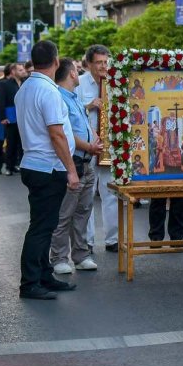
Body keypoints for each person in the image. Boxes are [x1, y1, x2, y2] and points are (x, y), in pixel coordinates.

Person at [15, 40, 81, 300]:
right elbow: (57, 134)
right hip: (47, 167)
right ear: (56, 61)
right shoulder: (48, 91)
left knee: (45, 223)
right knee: (42, 228)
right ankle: (30, 283)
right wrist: (71, 170)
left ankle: (44, 274)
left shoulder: (26, 88)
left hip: (34, 163)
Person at [49, 58, 102, 275]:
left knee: (83, 211)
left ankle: (81, 255)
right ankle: (59, 258)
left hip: (87, 162)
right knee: (65, 214)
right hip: (74, 161)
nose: (78, 72)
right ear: (71, 73)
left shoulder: (74, 98)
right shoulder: (59, 98)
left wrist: (96, 139)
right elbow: (66, 133)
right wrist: (90, 146)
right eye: (76, 69)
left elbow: (85, 125)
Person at [77, 45, 119, 253]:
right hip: (86, 145)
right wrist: (90, 105)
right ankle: (88, 241)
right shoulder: (80, 82)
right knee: (87, 194)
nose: (103, 66)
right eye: (99, 63)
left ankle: (113, 239)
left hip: (109, 144)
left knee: (110, 191)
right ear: (89, 64)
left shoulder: (116, 81)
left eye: (106, 62)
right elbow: (72, 110)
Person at [0, 63, 23, 175]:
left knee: (21, 144)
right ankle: (8, 167)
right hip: (10, 118)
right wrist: (2, 117)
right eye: (20, 70)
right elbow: (1, 102)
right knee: (11, 143)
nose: (23, 72)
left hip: (23, 118)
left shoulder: (24, 83)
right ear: (13, 71)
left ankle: (16, 164)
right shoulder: (5, 84)